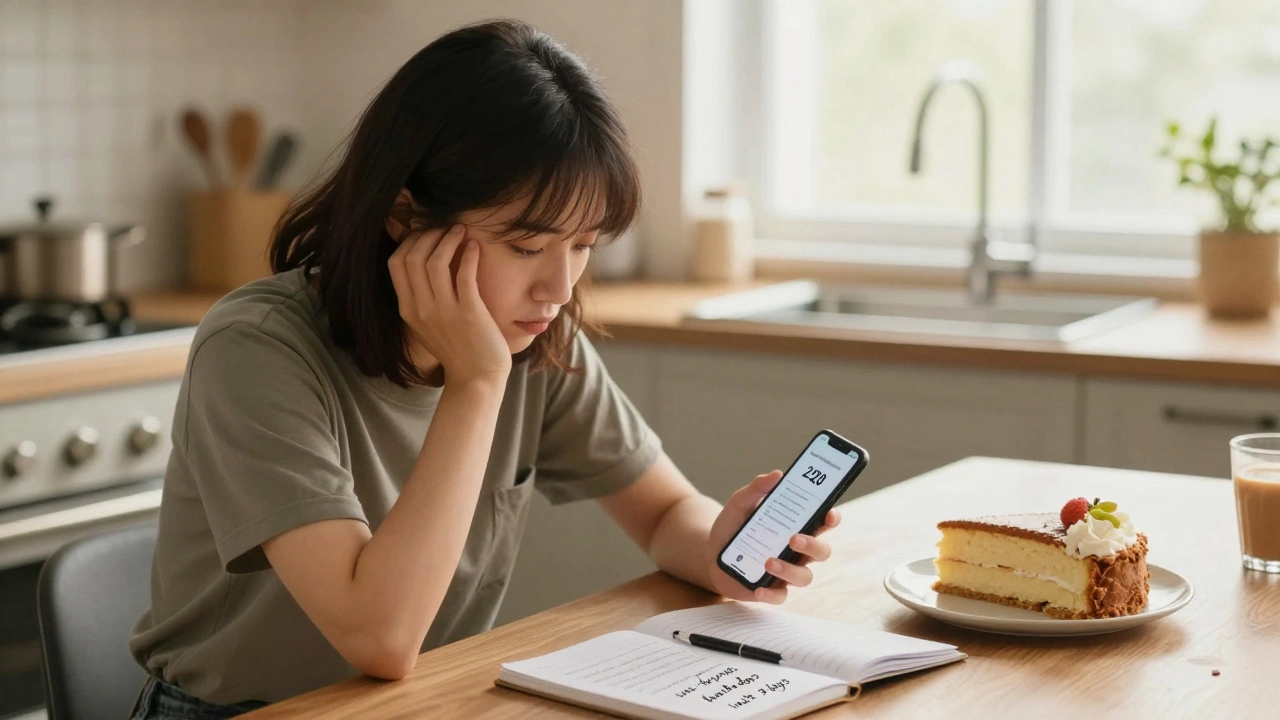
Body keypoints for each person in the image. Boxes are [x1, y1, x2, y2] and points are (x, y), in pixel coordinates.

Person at [127, 18, 841, 719]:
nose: (559, 288)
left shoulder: (532, 334)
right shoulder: (257, 350)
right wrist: (477, 383)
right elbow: (379, 637)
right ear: (407, 219)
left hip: (427, 700)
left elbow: (660, 511)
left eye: (584, 244)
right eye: (527, 245)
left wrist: (719, 550)